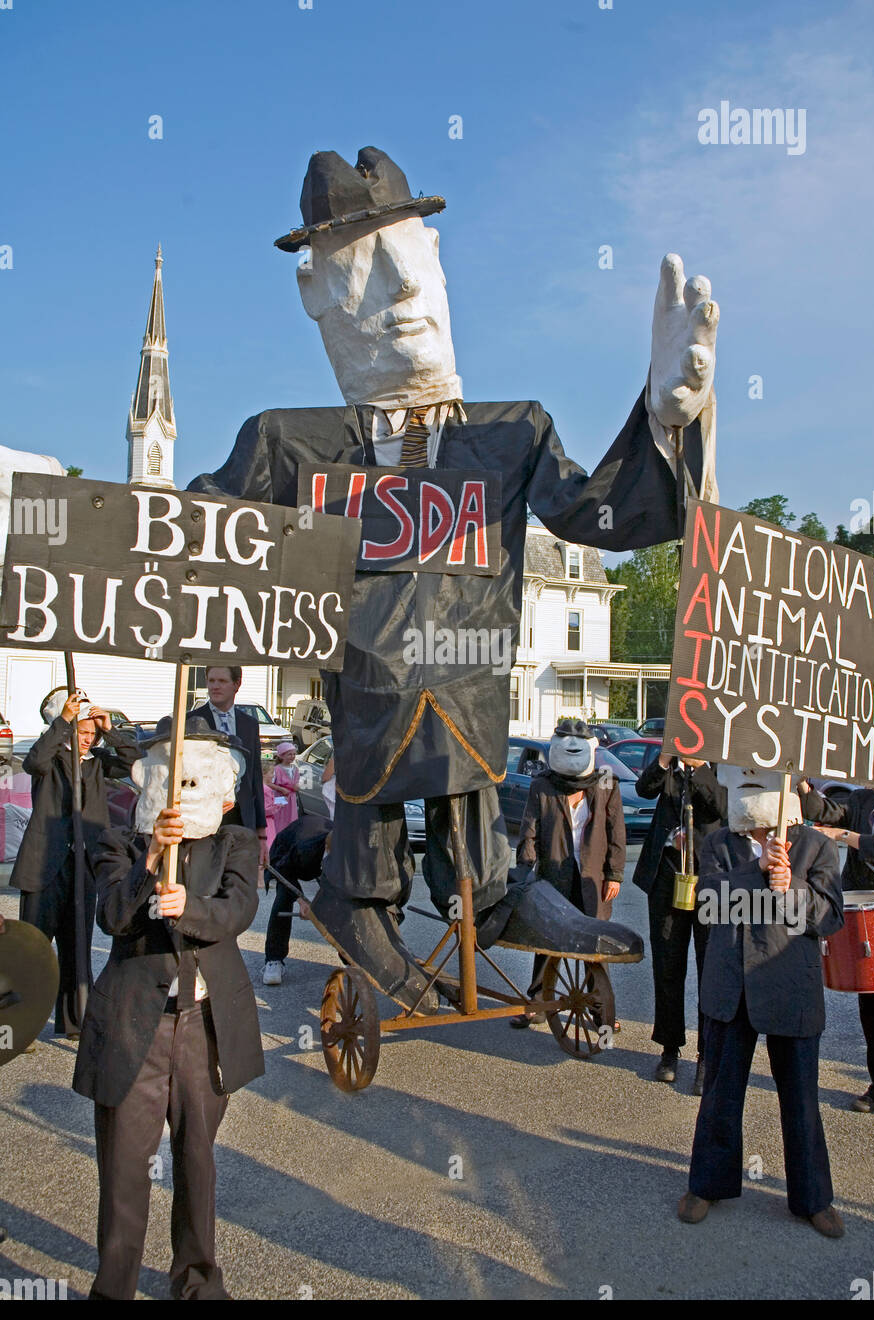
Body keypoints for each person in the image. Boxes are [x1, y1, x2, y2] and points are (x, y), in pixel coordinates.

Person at [188, 146, 720, 1015]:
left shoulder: (512, 434)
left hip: (471, 688)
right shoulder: (291, 442)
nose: (400, 291)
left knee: (470, 783)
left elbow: (599, 518)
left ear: (437, 261)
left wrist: (664, 420)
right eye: (364, 269)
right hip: (366, 692)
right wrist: (99, 537)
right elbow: (187, 533)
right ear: (315, 292)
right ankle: (358, 900)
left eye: (410, 259)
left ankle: (498, 894)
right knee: (373, 787)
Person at [72, 716, 263, 1300]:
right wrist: (151, 857)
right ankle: (113, 1294)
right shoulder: (118, 843)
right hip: (136, 1027)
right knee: (126, 1172)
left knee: (197, 1162)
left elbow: (238, 911)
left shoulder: (236, 842)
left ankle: (199, 1283)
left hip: (205, 1027)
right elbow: (112, 916)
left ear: (226, 793)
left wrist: (190, 909)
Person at [678, 763, 845, 1238]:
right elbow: (708, 903)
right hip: (731, 988)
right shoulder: (718, 843)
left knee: (801, 1098)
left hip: (790, 986)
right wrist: (758, 870)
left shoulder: (817, 846)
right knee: (719, 1095)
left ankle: (813, 1198)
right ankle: (707, 1184)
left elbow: (829, 918)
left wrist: (791, 885)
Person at [11, 688, 139, 1037]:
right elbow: (32, 762)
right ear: (68, 731)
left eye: (91, 735)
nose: (87, 740)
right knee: (34, 948)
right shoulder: (50, 756)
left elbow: (135, 762)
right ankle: (19, 1023)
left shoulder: (97, 762)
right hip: (44, 866)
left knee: (77, 945)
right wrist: (65, 721)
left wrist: (109, 730)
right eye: (82, 734)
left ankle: (74, 1020)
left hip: (83, 865)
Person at [799, 739, 874, 1114]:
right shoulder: (864, 800)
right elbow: (828, 811)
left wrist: (843, 837)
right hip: (868, 916)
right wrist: (803, 785)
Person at [513, 719, 626, 1031]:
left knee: (594, 946)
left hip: (594, 878)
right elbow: (530, 830)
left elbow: (616, 830)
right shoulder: (543, 785)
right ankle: (537, 1003)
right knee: (546, 941)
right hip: (554, 876)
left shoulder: (606, 783)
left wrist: (614, 873)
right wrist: (526, 871)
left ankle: (601, 1012)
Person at [634, 752, 727, 1092]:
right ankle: (669, 1048)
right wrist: (665, 759)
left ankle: (707, 1056)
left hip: (709, 879)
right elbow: (644, 788)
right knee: (667, 967)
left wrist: (700, 766)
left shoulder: (721, 764)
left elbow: (722, 807)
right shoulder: (666, 763)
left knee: (710, 970)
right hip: (666, 875)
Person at [191, 666, 267, 868]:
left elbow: (255, 777)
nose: (215, 686)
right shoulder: (191, 721)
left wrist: (261, 832)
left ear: (237, 684)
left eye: (222, 681)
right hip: (204, 818)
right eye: (211, 680)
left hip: (242, 817)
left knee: (239, 882)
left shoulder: (250, 724)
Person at [262, 809, 332, 986]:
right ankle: (274, 960)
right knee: (284, 897)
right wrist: (302, 901)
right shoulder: (305, 848)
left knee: (339, 902)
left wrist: (317, 904)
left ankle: (348, 956)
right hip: (286, 853)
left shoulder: (343, 851)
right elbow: (284, 871)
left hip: (316, 841)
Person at [269, 742, 300, 836]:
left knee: (291, 817)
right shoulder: (276, 769)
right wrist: (281, 789)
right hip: (280, 798)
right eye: (289, 754)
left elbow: (296, 782)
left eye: (294, 754)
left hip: (291, 798)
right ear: (282, 756)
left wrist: (297, 786)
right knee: (280, 818)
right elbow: (269, 783)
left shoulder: (295, 768)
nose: (292, 756)